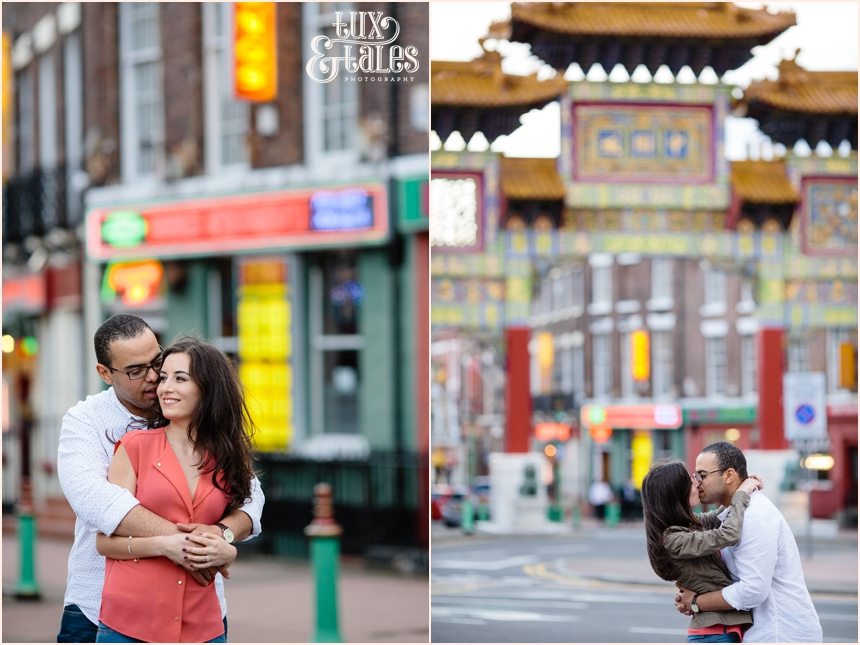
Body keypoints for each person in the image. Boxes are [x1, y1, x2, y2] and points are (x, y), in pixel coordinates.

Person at [57, 315, 265, 642]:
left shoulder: (207, 431)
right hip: (100, 609)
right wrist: (192, 547)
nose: (156, 378)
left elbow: (251, 496)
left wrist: (223, 536)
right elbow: (100, 503)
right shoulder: (85, 422)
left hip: (199, 609)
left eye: (158, 361)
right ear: (105, 374)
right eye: (137, 371)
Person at [673, 442, 823, 642]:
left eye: (702, 475)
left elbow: (753, 590)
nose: (697, 482)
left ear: (729, 475)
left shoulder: (755, 516)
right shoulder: (733, 514)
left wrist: (696, 602)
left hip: (781, 633)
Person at [642, 461, 761, 642]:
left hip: (720, 630)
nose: (697, 482)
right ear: (677, 494)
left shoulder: (685, 526)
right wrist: (742, 493)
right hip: (713, 634)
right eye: (691, 480)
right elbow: (727, 534)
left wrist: (735, 489)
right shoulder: (674, 539)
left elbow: (717, 517)